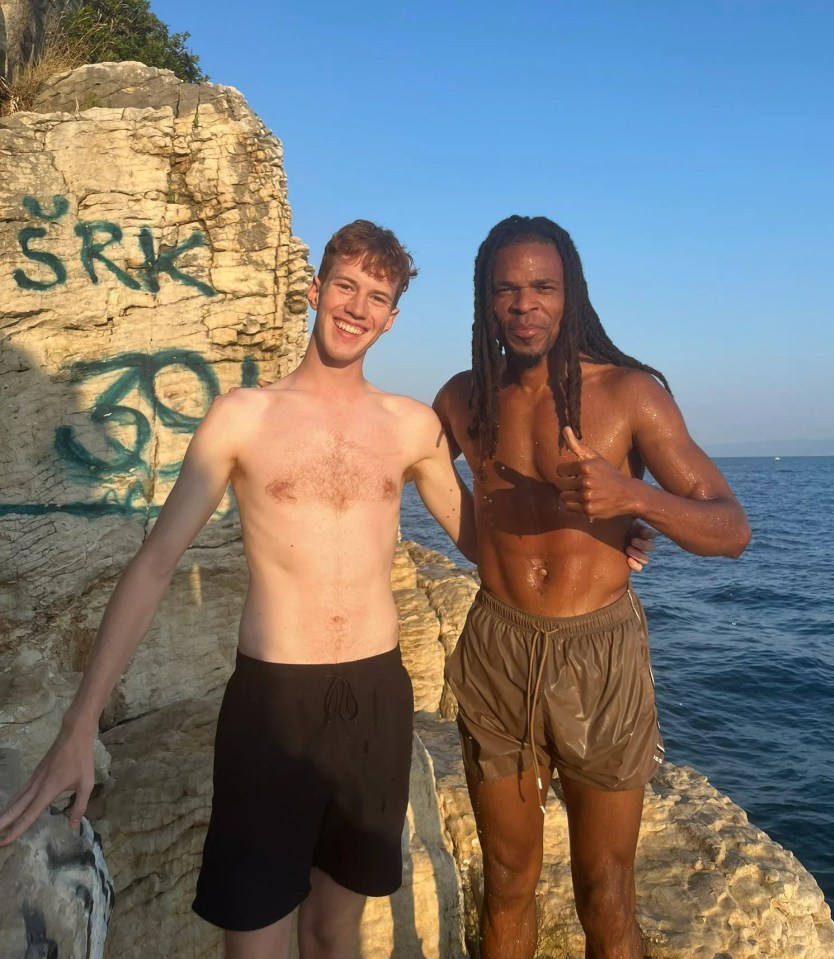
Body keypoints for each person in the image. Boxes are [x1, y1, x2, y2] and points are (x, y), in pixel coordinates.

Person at [0, 220, 481, 959]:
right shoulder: (242, 416)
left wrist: (602, 530)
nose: (356, 307)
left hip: (376, 700)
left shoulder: (410, 426)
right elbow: (156, 563)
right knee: (253, 936)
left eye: (375, 296)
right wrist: (79, 724)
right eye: (345, 286)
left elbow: (484, 543)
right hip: (272, 704)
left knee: (334, 929)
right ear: (315, 291)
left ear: (391, 317)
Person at [434, 215, 751, 959]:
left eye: (542, 286)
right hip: (498, 645)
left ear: (569, 294)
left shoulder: (630, 394)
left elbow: (731, 529)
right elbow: (391, 459)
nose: (524, 304)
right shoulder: (461, 398)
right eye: (505, 289)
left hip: (597, 650)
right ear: (484, 302)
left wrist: (632, 500)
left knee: (604, 890)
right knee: (507, 879)